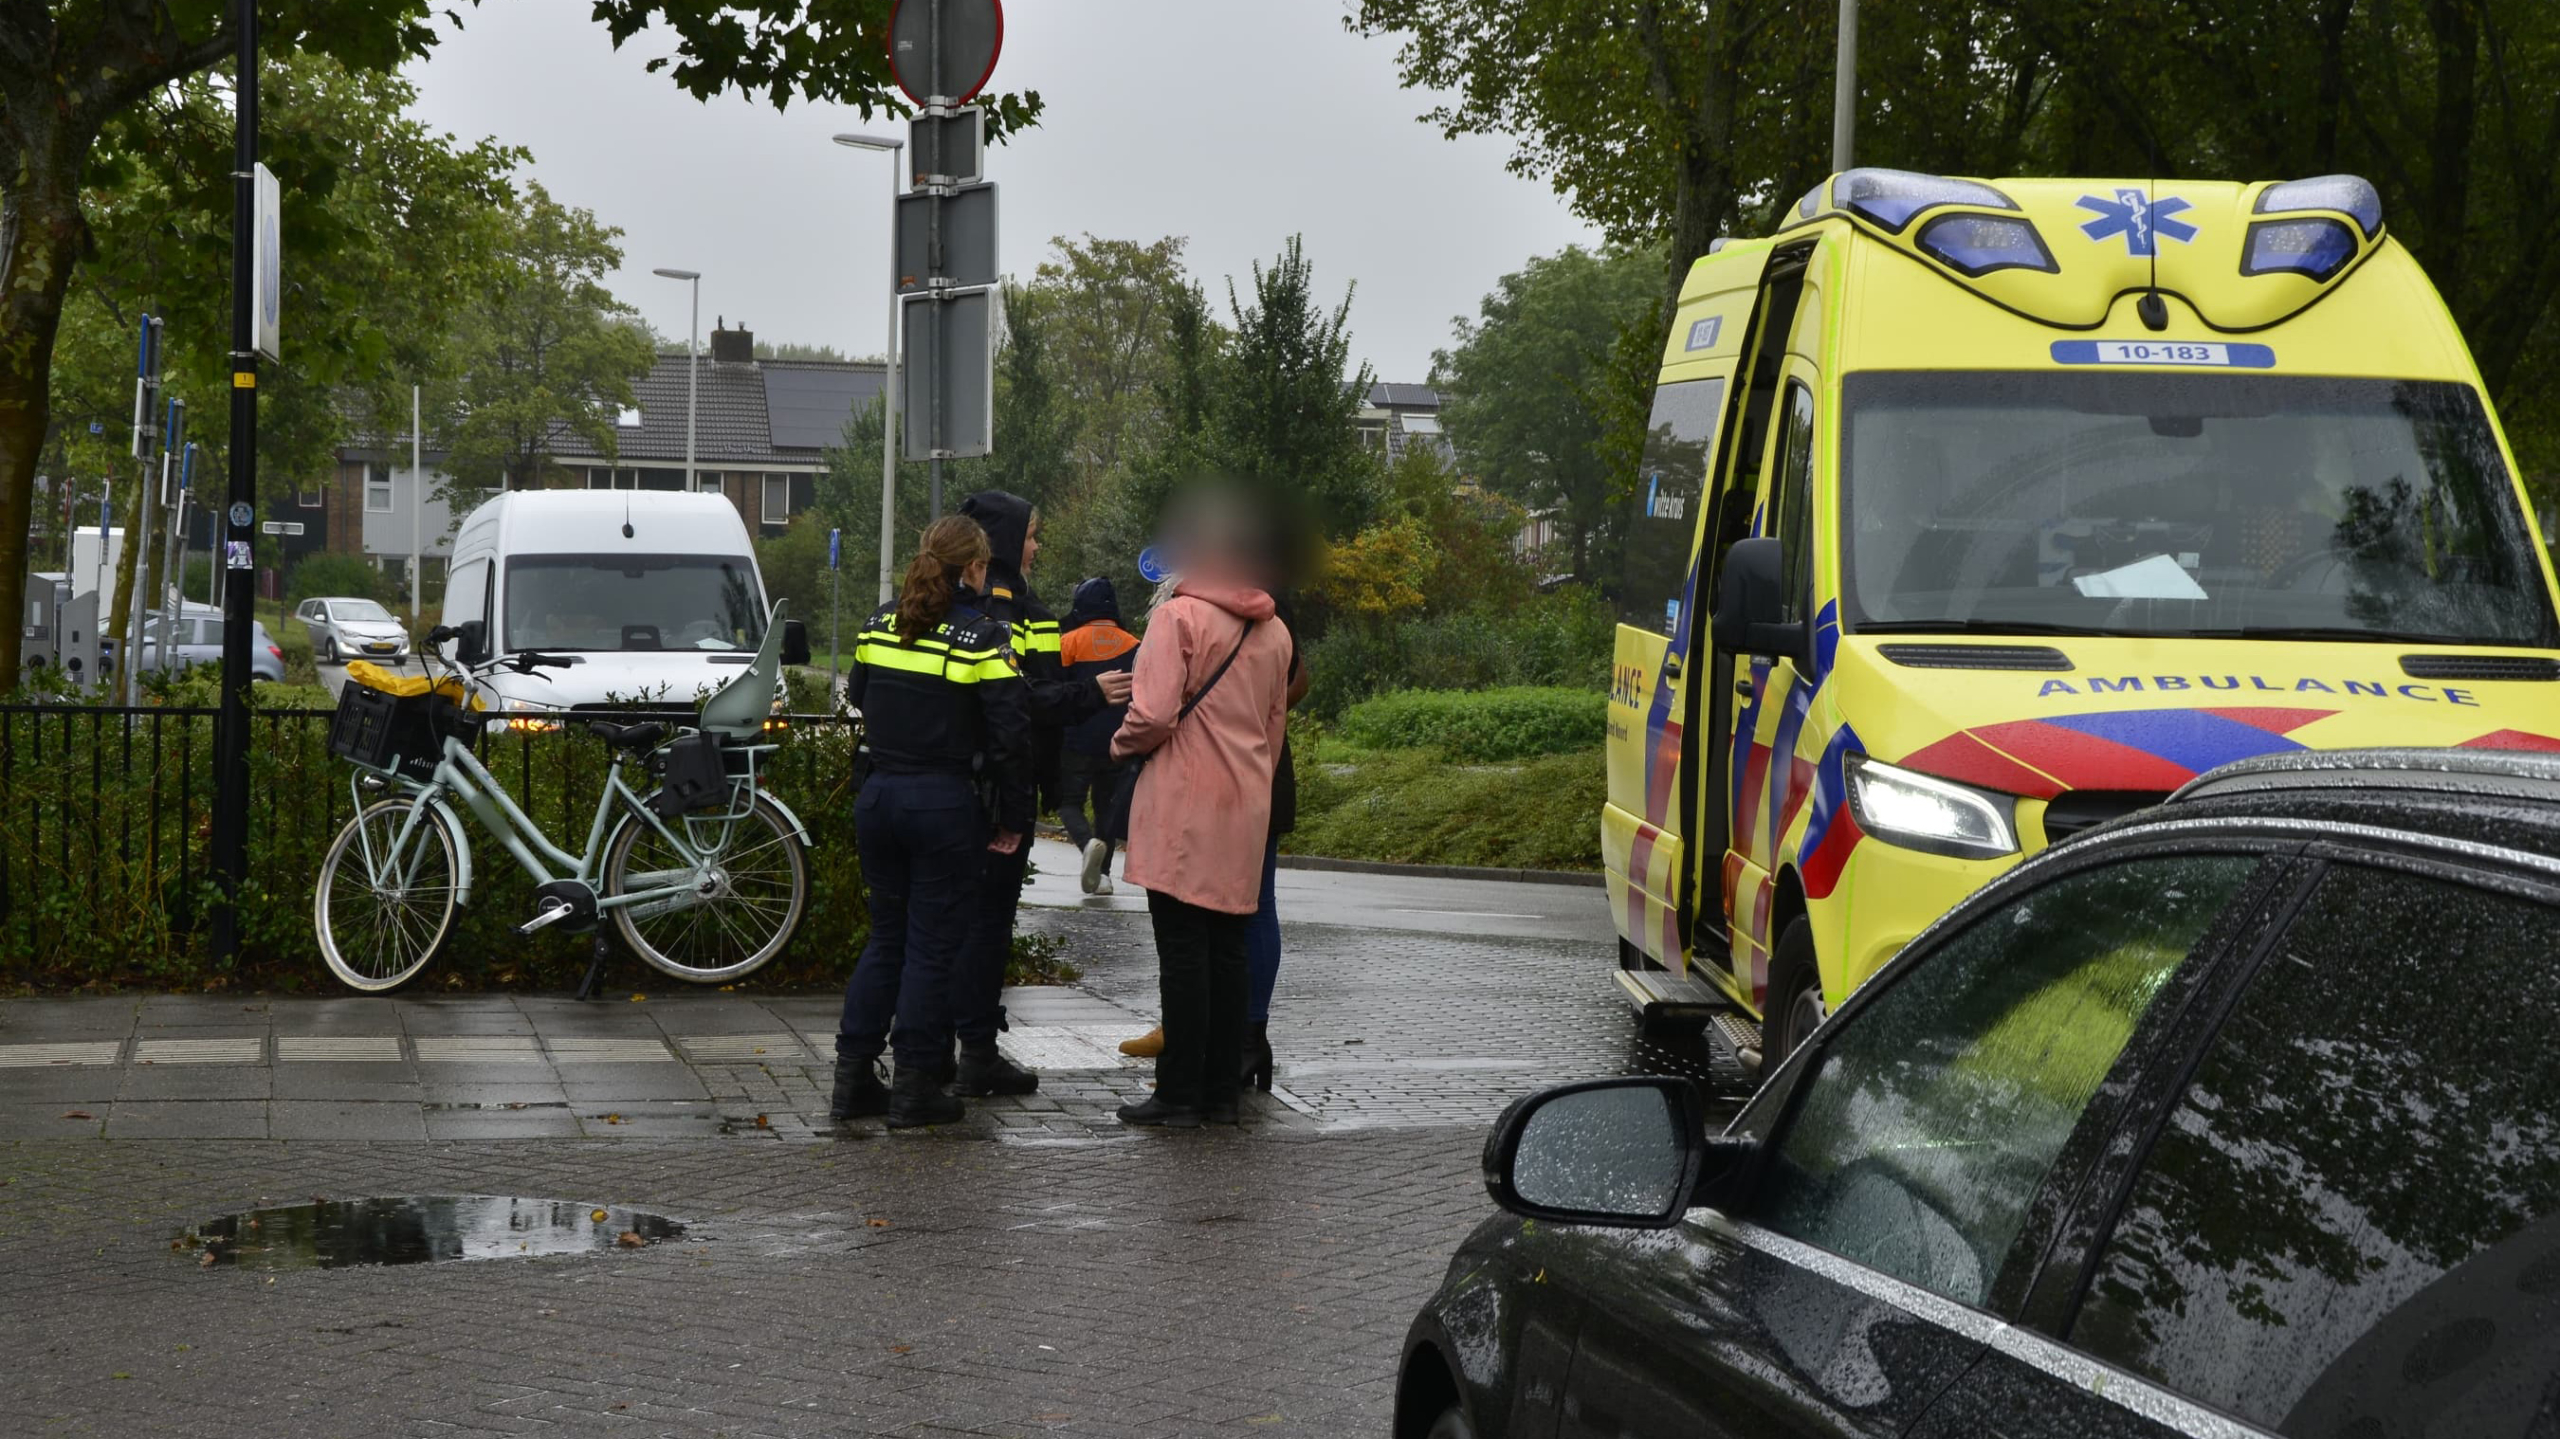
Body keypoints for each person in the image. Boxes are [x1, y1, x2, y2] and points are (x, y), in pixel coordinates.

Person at [831, 517, 1031, 1129]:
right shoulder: (981, 638)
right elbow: (1010, 734)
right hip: (942, 805)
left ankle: (853, 1078)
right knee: (931, 947)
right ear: (974, 568)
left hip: (879, 798)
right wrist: (1014, 815)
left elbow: (861, 694)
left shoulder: (877, 624)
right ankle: (916, 1084)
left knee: (887, 939)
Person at [1109, 498, 1294, 1128]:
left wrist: (1118, 743)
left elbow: (1154, 715)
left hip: (1185, 808)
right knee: (1228, 953)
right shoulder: (1275, 632)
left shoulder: (1177, 619)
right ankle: (1221, 1092)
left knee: (1182, 955)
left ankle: (1179, 1090)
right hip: (1244, 809)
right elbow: (1273, 734)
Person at [949, 491, 1132, 1097]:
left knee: (943, 925)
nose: (1037, 546)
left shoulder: (958, 600)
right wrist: (1088, 696)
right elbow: (1022, 700)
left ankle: (940, 1047)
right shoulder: (1012, 608)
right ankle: (974, 1049)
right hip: (998, 791)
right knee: (988, 923)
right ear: (1004, 540)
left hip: (956, 785)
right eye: (1031, 534)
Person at [1057, 576, 1138, 895]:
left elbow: (1057, 691)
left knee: (1067, 801)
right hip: (1118, 740)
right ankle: (1102, 876)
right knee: (1107, 807)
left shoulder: (1069, 641)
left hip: (1076, 739)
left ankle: (1086, 842)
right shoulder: (1135, 644)